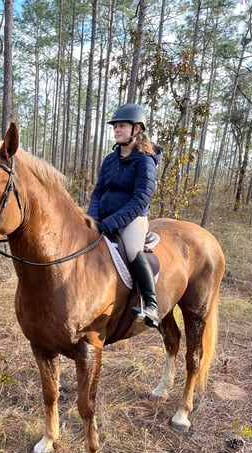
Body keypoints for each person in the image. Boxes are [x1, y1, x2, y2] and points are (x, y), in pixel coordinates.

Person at [87, 103, 161, 328]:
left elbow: (140, 200)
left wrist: (111, 223)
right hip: (104, 217)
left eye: (121, 126)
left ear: (136, 129)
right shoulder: (110, 159)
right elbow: (99, 191)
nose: (116, 130)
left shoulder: (145, 161)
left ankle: (151, 303)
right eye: (115, 127)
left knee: (131, 250)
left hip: (132, 219)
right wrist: (93, 217)